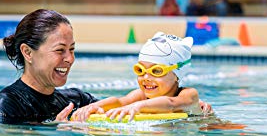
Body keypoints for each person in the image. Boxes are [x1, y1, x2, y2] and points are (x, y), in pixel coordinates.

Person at [0, 9, 212, 124]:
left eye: (72, 49)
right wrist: (54, 132)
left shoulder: (77, 100)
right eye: (60, 50)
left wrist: (186, 105)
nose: (70, 59)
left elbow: (119, 106)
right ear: (27, 52)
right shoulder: (7, 104)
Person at [72, 32, 202, 122]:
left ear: (177, 74)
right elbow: (120, 102)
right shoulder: (141, 95)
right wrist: (95, 106)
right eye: (140, 70)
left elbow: (171, 104)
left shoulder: (189, 94)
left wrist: (138, 106)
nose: (146, 77)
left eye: (156, 71)